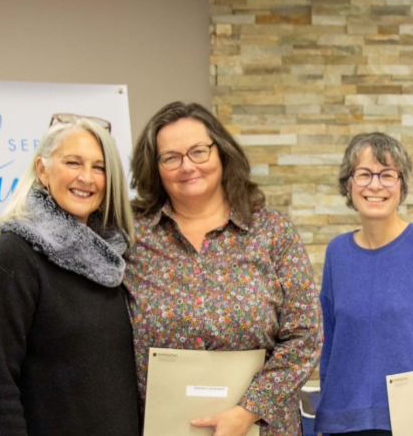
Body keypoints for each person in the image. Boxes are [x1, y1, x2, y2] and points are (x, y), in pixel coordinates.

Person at [124, 102, 321, 436]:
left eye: (198, 151)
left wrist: (248, 411)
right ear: (154, 167)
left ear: (222, 152)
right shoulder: (132, 236)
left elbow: (305, 335)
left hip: (262, 428)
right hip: (166, 427)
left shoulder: (272, 231)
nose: (187, 166)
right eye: (170, 157)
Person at [0, 113, 139, 436]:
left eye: (99, 167)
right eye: (73, 162)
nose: (87, 178)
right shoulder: (12, 256)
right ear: (42, 170)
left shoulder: (115, 257)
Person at [315, 132, 413, 436]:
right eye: (364, 174)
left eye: (387, 175)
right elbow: (331, 345)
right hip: (346, 423)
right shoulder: (337, 252)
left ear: (402, 186)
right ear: (349, 184)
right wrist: (326, 417)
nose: (375, 185)